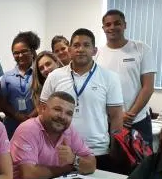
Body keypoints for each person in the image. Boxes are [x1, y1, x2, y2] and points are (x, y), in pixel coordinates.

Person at [41, 29, 123, 169]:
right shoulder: (55, 76)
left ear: (94, 50)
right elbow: (43, 110)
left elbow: (116, 117)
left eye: (86, 45)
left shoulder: (110, 77)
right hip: (60, 149)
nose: (80, 49)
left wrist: (116, 150)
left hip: (97, 150)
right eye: (76, 45)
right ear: (69, 50)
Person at [96, 9, 156, 148]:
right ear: (103, 28)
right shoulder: (97, 54)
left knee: (141, 160)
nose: (112, 27)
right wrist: (117, 116)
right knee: (111, 160)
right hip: (108, 122)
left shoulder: (141, 49)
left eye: (117, 23)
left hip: (137, 120)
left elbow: (148, 87)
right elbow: (97, 91)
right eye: (108, 24)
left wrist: (130, 115)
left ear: (125, 25)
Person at [11, 91, 96, 179]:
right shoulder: (28, 129)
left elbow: (92, 165)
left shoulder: (70, 130)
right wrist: (67, 168)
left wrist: (74, 159)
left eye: (69, 113)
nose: (62, 116)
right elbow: (29, 173)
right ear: (43, 108)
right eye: (57, 109)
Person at [0, 31, 40, 137]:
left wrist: (30, 117)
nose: (20, 55)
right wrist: (17, 115)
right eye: (16, 53)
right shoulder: (7, 76)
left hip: (35, 124)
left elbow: (45, 99)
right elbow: (2, 102)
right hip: (12, 125)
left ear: (32, 51)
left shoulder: (40, 73)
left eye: (24, 51)